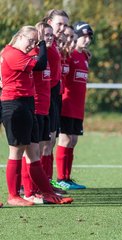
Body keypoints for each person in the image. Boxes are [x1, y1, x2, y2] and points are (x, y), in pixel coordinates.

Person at [0, 25, 73, 206]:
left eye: (34, 41)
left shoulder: (19, 53)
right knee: (16, 152)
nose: (31, 44)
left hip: (27, 105)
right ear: (19, 37)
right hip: (15, 105)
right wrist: (41, 44)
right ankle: (14, 196)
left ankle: (47, 193)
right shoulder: (12, 53)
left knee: (33, 153)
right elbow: (40, 64)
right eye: (30, 40)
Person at [54, 21, 93, 190]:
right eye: (83, 36)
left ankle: (67, 178)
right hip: (66, 104)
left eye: (89, 37)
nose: (86, 40)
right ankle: (60, 178)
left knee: (73, 140)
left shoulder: (84, 56)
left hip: (78, 106)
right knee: (65, 139)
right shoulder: (68, 55)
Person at [20, 22, 54, 204]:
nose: (48, 39)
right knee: (31, 151)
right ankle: (28, 190)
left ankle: (36, 188)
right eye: (45, 35)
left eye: (51, 35)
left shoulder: (46, 55)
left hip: (45, 108)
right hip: (34, 107)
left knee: (39, 149)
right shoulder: (34, 56)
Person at [41, 9, 70, 192]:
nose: (62, 28)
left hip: (54, 96)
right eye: (59, 23)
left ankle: (47, 181)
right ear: (49, 22)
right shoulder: (42, 43)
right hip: (45, 96)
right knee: (41, 143)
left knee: (50, 141)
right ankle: (30, 185)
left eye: (65, 24)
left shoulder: (54, 45)